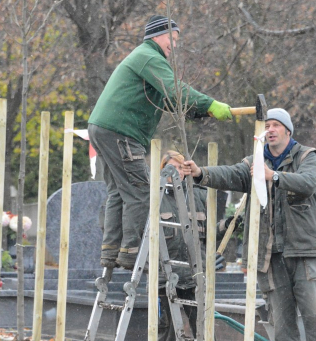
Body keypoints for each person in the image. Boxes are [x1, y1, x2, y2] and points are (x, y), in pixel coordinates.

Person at [180, 108, 316, 341]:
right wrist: (201, 172)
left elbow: (310, 183)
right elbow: (231, 174)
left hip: (305, 253)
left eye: (276, 126)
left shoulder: (306, 156)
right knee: (282, 325)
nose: (270, 130)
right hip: (269, 257)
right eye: (266, 125)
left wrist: (275, 176)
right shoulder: (253, 162)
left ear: (287, 131)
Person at [88, 15, 233, 270]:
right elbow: (176, 89)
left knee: (118, 192)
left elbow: (166, 101)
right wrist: (210, 104)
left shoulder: (144, 59)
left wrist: (196, 111)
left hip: (104, 129)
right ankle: (132, 252)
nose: (174, 46)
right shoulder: (149, 57)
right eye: (173, 39)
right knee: (141, 191)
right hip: (122, 131)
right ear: (158, 35)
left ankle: (111, 250)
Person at [155, 151, 228, 341]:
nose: (177, 173)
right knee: (164, 333)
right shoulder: (155, 197)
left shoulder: (199, 195)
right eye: (172, 168)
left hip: (195, 278)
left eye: (181, 168)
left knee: (203, 331)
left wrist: (227, 226)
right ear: (163, 170)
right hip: (164, 280)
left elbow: (209, 233)